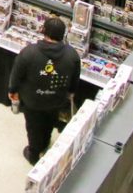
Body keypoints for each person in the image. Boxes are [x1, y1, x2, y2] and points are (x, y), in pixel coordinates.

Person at [8, 17, 80, 164]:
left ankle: (33, 154)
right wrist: (70, 93)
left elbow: (16, 74)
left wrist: (12, 91)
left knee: (33, 126)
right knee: (49, 122)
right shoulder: (72, 55)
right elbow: (74, 80)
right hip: (56, 99)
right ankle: (45, 142)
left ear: (43, 31)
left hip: (32, 100)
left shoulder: (29, 52)